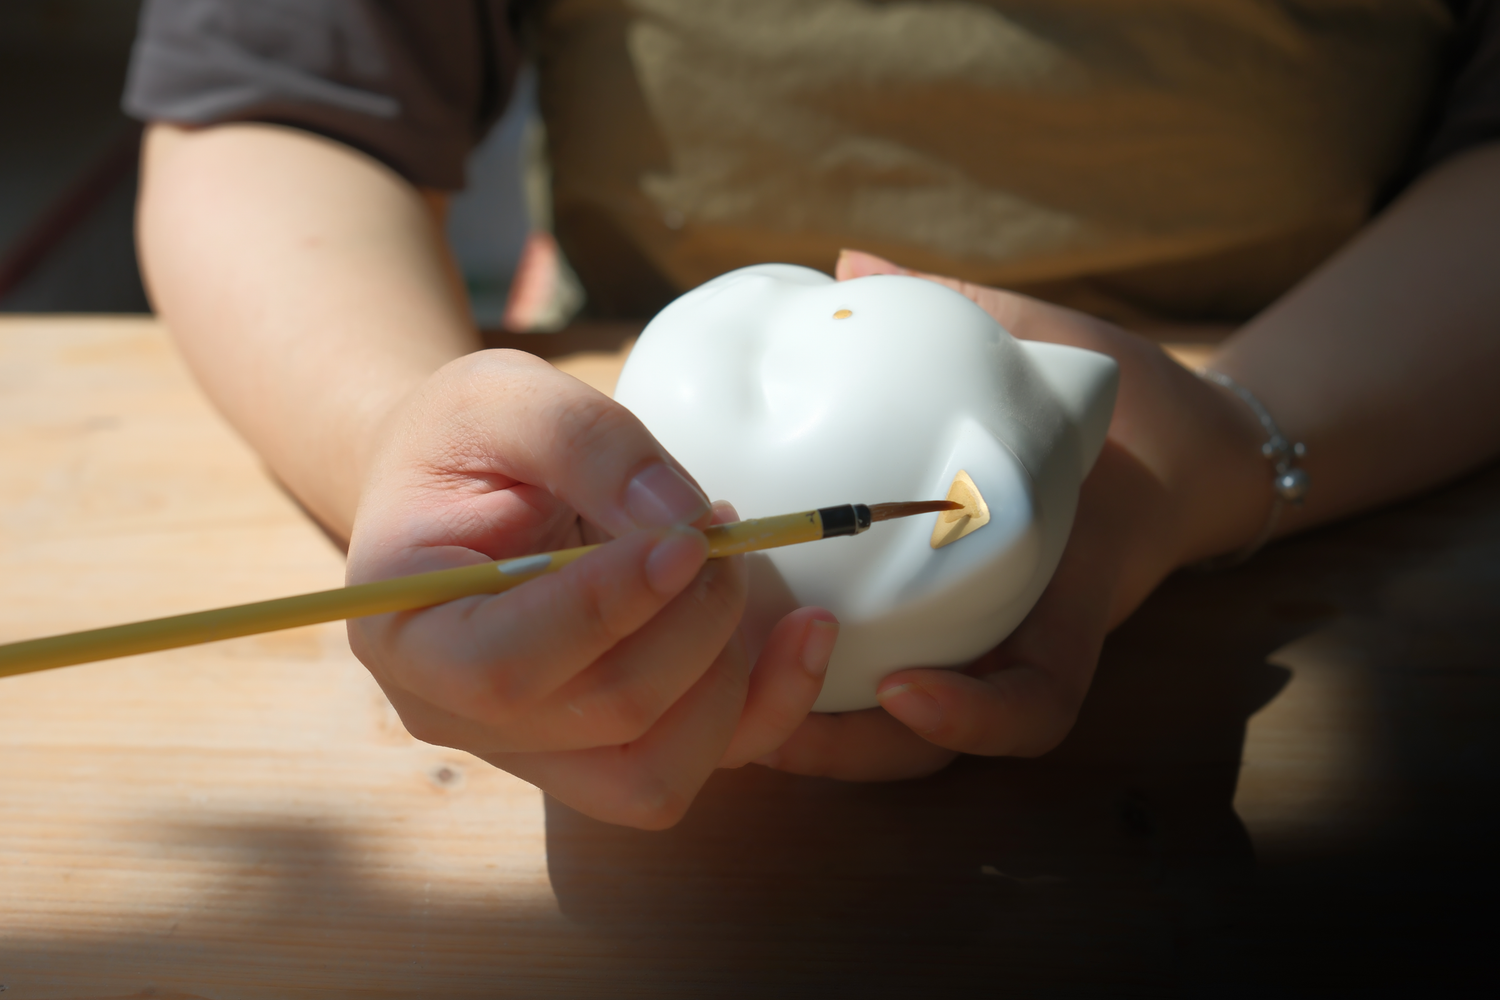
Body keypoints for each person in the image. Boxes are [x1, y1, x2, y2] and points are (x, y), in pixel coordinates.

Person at [124, 0, 1500, 828]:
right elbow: (276, 107)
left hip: (1374, 422)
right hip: (622, 435)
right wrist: (395, 438)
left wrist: (1240, 442)